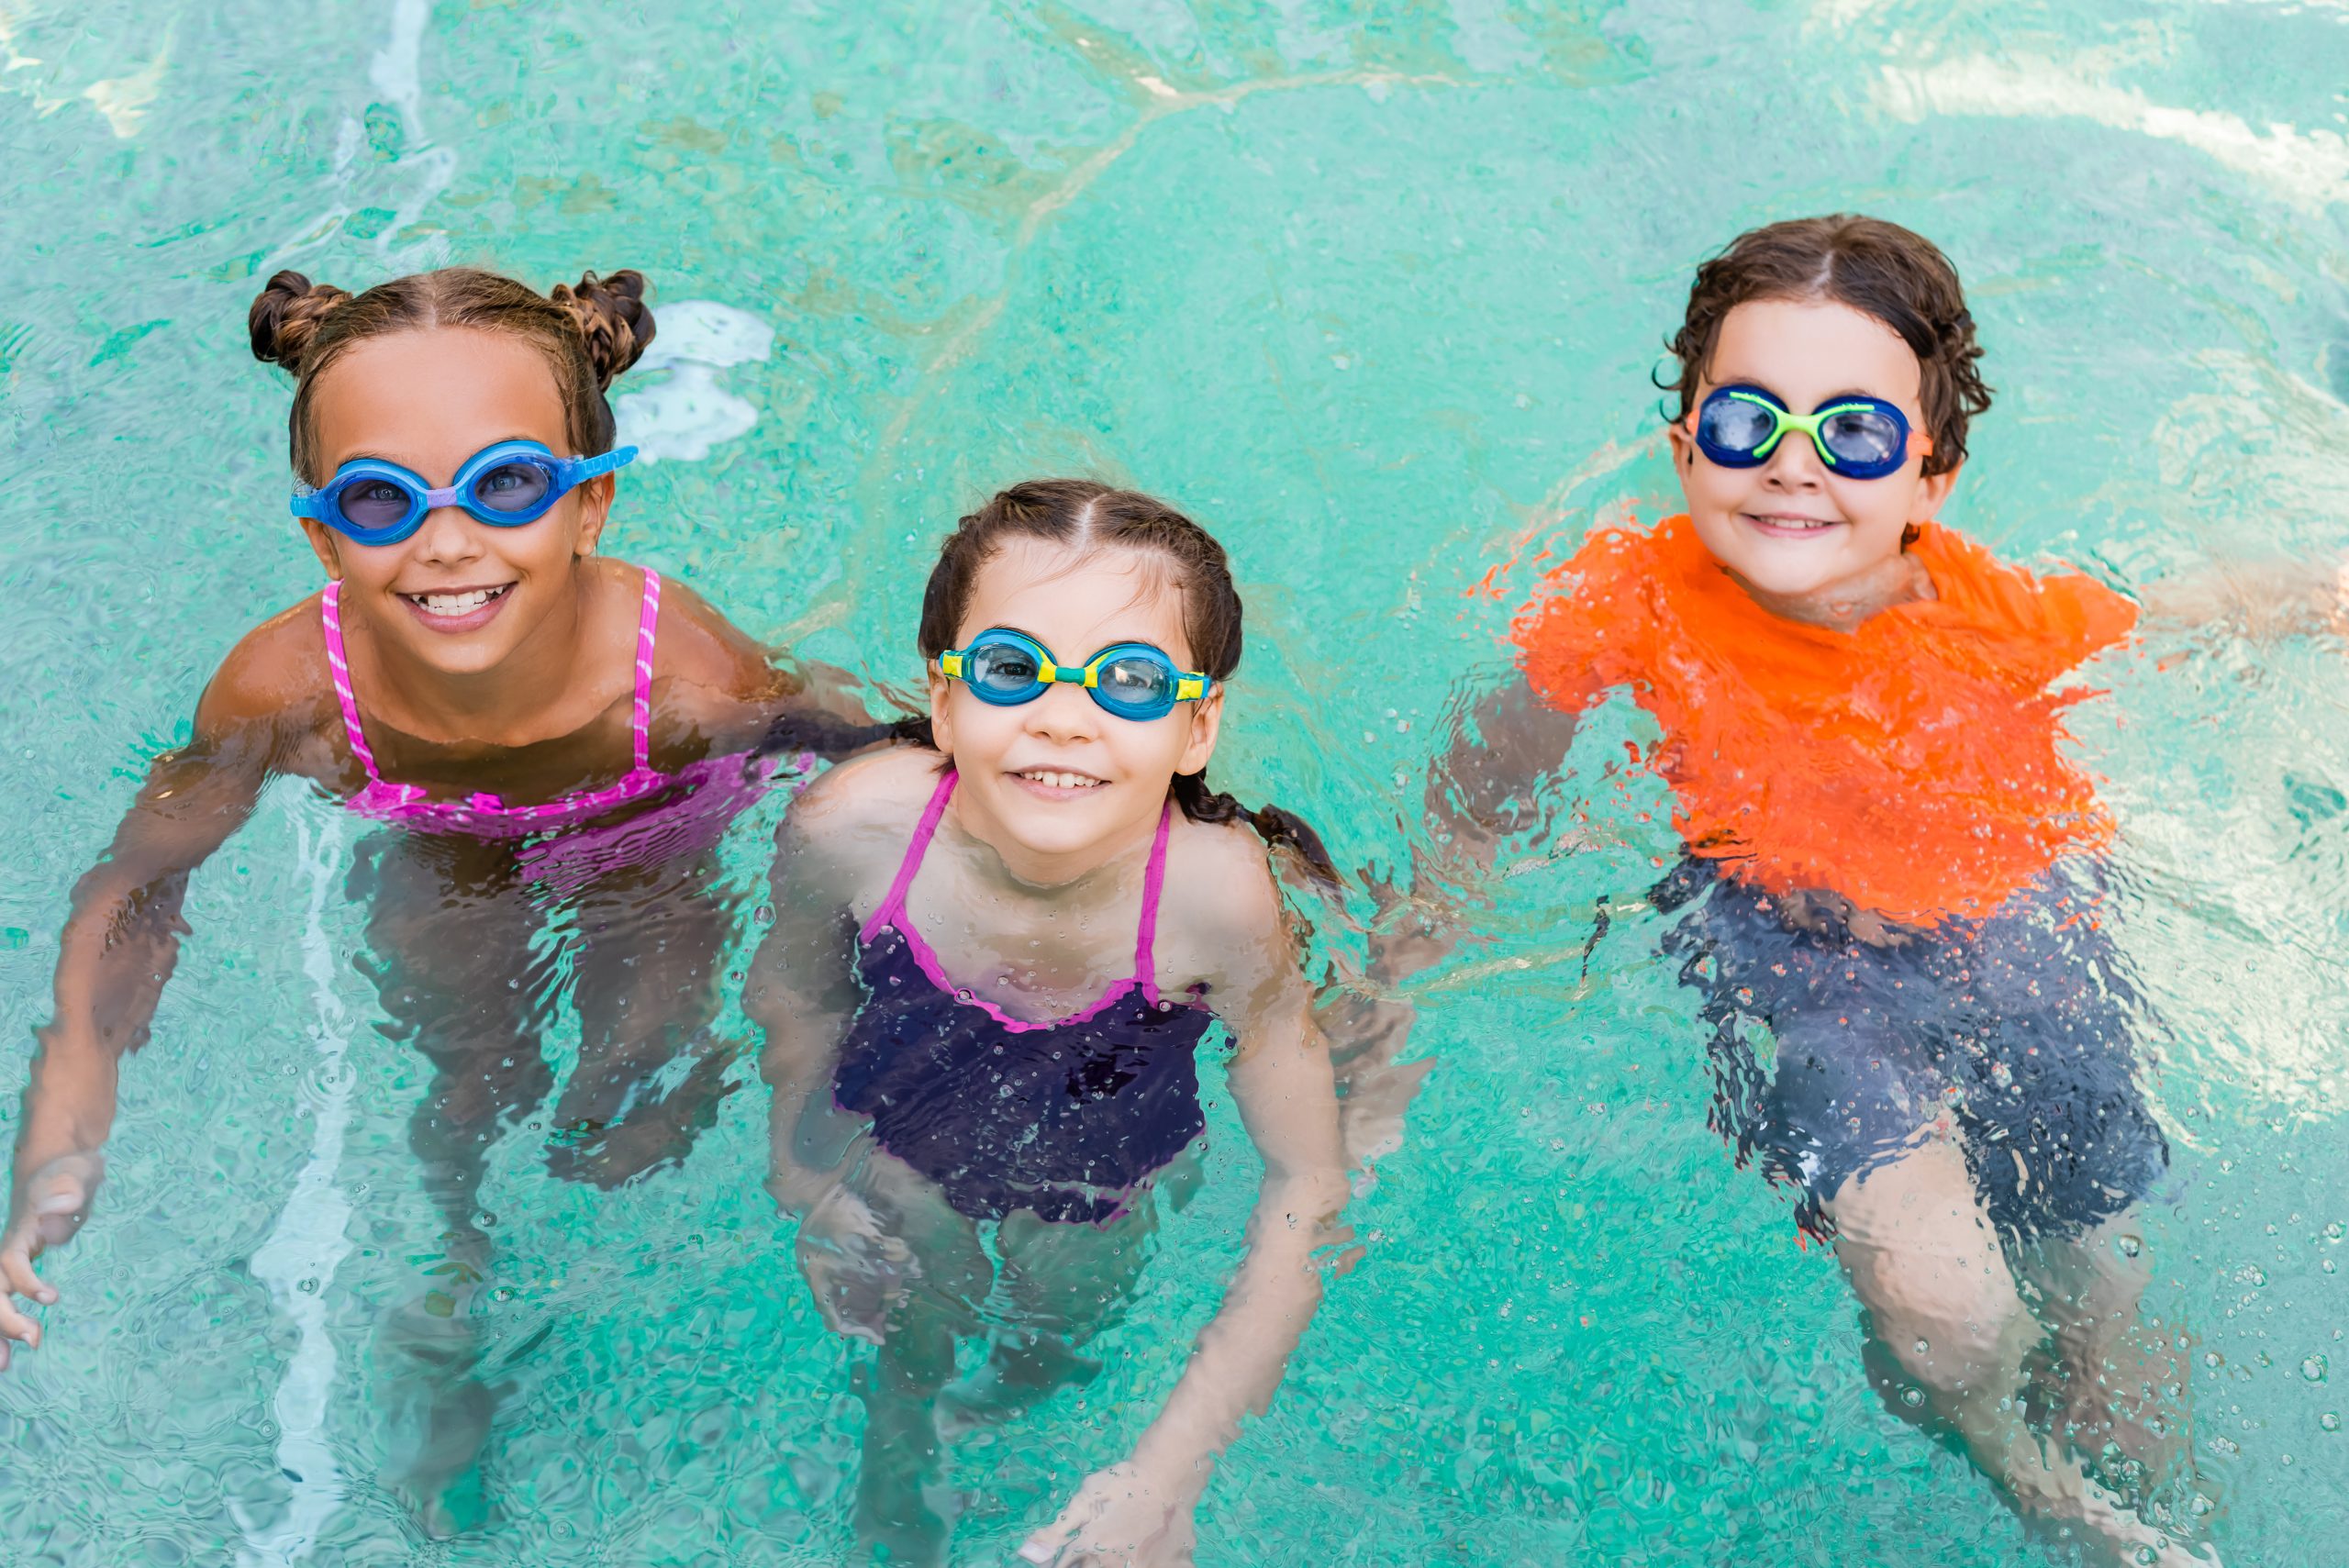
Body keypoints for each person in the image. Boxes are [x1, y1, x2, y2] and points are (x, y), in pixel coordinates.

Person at [1395, 216, 2341, 1565]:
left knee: (2105, 1309)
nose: (1792, 469)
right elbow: (1494, 767)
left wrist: (2321, 595)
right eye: (1746, 424)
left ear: (1931, 477)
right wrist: (1416, 929)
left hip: (2036, 947)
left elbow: (2188, 613)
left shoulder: (1998, 615)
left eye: (1852, 434)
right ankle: (2016, 1467)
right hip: (1807, 965)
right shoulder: (1627, 600)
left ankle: (2150, 1495)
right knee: (1947, 1319)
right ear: (1684, 449)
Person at [0, 264, 879, 1530]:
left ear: (592, 506)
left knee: (640, 1104)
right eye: (379, 498)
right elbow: (138, 887)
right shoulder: (285, 689)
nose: (447, 539)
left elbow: (875, 763)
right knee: (467, 1088)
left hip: (648, 838)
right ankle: (455, 1280)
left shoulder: (685, 676)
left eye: (509, 483)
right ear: (319, 533)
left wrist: (817, 1124)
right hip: (443, 849)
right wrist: (66, 1127)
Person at [749, 479, 1352, 1567]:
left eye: (1129, 680)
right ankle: (899, 1459)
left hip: (1102, 1180)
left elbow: (1307, 1181)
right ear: (943, 701)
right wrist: (807, 1174)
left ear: (1195, 725)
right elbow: (796, 998)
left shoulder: (1216, 902)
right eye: (1011, 668)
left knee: (1056, 1332)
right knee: (900, 1332)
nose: (1063, 714)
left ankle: (1012, 1411)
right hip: (899, 1146)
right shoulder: (853, 830)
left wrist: (1167, 1478)